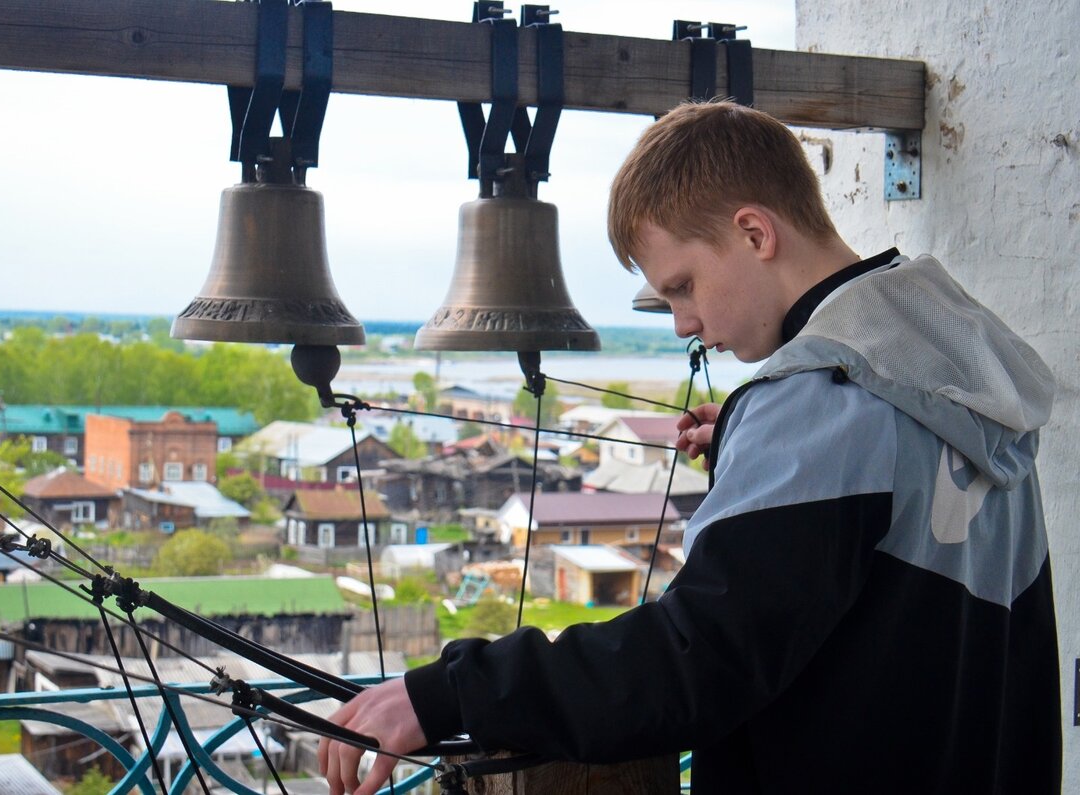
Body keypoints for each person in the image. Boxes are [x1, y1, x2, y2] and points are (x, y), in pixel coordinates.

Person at [319, 100, 1061, 794]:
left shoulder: (819, 402)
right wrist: (755, 439)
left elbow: (694, 661)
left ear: (754, 233)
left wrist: (453, 689)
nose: (679, 322)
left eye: (681, 285)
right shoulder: (958, 384)